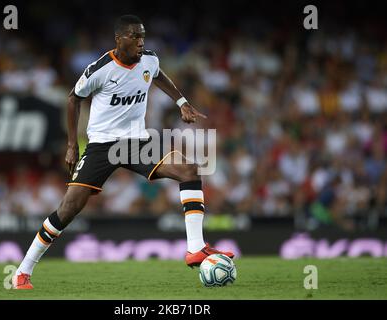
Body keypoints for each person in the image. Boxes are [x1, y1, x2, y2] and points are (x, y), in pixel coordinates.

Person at [13, 14, 234, 289]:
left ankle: (196, 248)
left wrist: (181, 102)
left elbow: (158, 74)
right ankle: (22, 270)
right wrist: (72, 144)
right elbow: (73, 98)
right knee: (69, 209)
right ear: (119, 39)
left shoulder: (149, 60)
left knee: (189, 170)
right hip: (102, 146)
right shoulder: (101, 69)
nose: (141, 42)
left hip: (137, 143)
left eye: (143, 36)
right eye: (135, 36)